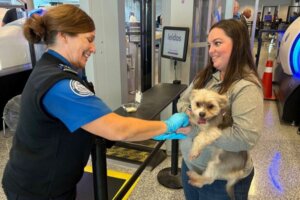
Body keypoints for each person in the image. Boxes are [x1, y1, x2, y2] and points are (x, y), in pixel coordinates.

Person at [1, 4, 189, 200]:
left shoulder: (53, 68)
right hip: (39, 191)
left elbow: (90, 121)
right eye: (89, 39)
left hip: (42, 182)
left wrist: (144, 129)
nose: (94, 47)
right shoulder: (59, 84)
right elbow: (118, 128)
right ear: (64, 35)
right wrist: (165, 126)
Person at [177, 19, 263, 200]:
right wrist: (193, 115)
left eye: (217, 43)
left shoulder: (245, 87)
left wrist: (199, 128)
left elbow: (245, 138)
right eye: (209, 45)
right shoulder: (207, 76)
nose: (211, 51)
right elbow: (183, 102)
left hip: (222, 180)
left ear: (238, 45)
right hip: (191, 166)